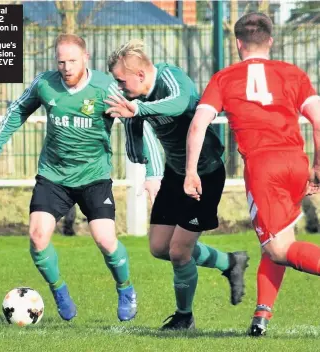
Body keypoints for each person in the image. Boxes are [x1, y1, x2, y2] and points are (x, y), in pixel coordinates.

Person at [0, 34, 163, 322]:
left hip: (94, 177)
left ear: (86, 57)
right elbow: (18, 110)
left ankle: (125, 288)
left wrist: (152, 171)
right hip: (53, 175)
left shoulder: (105, 88)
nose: (66, 67)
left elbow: (139, 121)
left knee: (105, 240)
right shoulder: (45, 83)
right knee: (37, 237)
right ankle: (59, 291)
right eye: (61, 61)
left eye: (72, 61)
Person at [184, 12, 320, 337]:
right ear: (270, 41)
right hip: (296, 162)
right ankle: (261, 315)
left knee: (278, 249)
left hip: (264, 167)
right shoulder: (293, 73)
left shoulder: (224, 78)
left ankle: (262, 313)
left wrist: (190, 171)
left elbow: (198, 124)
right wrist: (318, 165)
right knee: (276, 239)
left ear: (237, 43)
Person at [105, 39, 249, 330]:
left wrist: (138, 111)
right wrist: (139, 154)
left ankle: (185, 317)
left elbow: (181, 103)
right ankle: (230, 263)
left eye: (121, 81)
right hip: (174, 173)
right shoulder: (138, 99)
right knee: (160, 247)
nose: (120, 87)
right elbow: (135, 127)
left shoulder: (171, 77)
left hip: (204, 173)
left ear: (141, 75)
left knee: (179, 252)